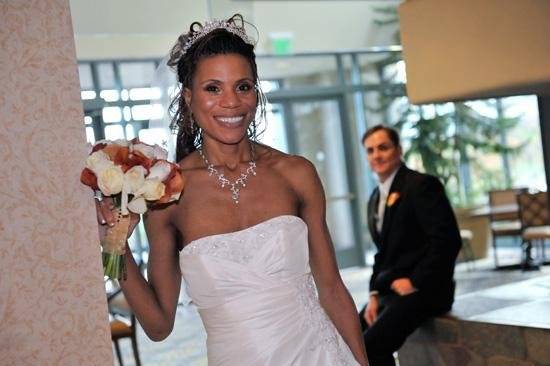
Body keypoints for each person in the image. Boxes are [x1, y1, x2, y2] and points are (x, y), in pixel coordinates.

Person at [97, 14, 368, 366]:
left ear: (256, 92)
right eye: (213, 88)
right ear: (189, 97)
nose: (232, 102)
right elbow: (158, 325)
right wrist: (113, 245)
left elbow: (331, 290)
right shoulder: (165, 195)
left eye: (243, 86)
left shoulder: (296, 173)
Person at [358, 125, 461, 366]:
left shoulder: (421, 186)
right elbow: (383, 252)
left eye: (383, 147)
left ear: (399, 150)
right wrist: (373, 294)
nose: (377, 155)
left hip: (426, 289)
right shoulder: (376, 197)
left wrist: (415, 281)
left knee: (371, 346)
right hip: (391, 291)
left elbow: (446, 241)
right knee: (350, 341)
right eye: (370, 150)